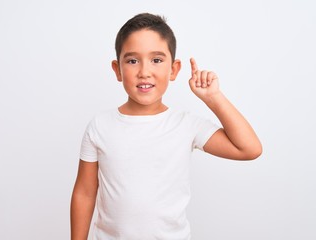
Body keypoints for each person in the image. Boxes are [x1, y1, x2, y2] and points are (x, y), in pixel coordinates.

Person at [70, 13, 262, 240]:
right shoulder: (100, 126)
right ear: (117, 69)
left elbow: (249, 149)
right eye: (132, 61)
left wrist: (213, 98)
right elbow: (84, 192)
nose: (144, 71)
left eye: (157, 60)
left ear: (174, 69)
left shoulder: (186, 125)